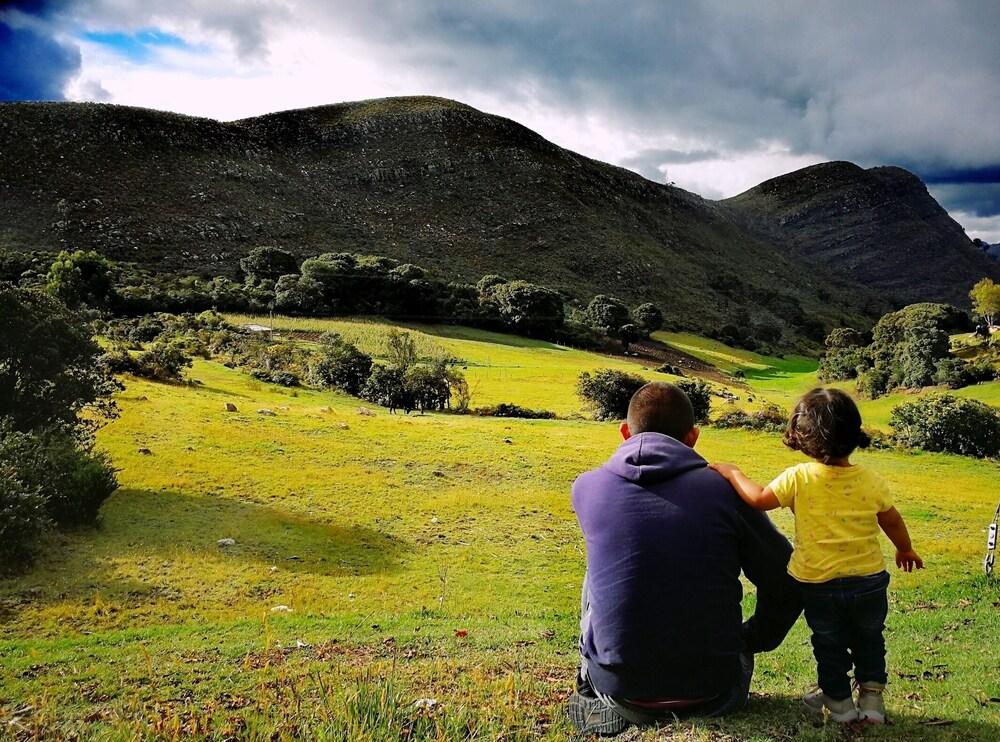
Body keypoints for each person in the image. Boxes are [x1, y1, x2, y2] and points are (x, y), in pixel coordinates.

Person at [569, 382, 802, 736]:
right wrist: (754, 638)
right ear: (693, 437)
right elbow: (787, 575)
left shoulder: (587, 487)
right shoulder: (726, 492)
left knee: (601, 570)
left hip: (619, 692)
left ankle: (596, 690)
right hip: (716, 691)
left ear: (624, 432)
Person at [711, 388, 923, 724]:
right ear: (854, 434)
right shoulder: (871, 479)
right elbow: (892, 519)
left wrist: (733, 473)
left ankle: (839, 705)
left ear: (804, 438)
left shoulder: (799, 477)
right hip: (868, 581)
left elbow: (760, 499)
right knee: (870, 638)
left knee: (829, 644)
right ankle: (871, 702)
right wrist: (905, 548)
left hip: (818, 584)